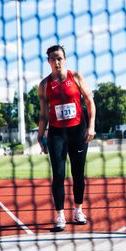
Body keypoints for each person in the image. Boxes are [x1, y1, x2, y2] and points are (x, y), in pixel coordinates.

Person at [37, 44, 96, 231]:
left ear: (65, 59)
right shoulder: (44, 85)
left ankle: (78, 210)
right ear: (48, 62)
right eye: (52, 59)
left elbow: (89, 101)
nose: (56, 62)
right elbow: (43, 114)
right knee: (59, 175)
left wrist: (92, 126)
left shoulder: (76, 77)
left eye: (59, 58)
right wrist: (40, 136)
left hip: (78, 131)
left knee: (78, 174)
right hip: (56, 134)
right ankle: (60, 214)